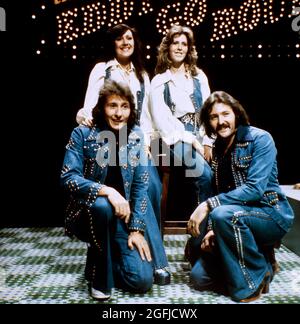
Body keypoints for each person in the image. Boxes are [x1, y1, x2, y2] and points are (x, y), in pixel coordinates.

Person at [61, 81, 170, 301]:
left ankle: (102, 259)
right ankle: (101, 280)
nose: (119, 113)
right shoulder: (82, 134)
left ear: (131, 110)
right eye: (113, 106)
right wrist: (107, 190)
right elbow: (68, 178)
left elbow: (140, 187)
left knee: (141, 281)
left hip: (123, 217)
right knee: (102, 206)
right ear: (102, 108)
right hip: (88, 214)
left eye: (124, 106)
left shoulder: (136, 135)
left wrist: (137, 230)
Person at [186, 91, 294, 303]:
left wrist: (208, 206)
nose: (221, 121)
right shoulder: (218, 147)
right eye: (214, 117)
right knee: (199, 277)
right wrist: (212, 231)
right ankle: (262, 258)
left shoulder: (260, 139)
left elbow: (254, 189)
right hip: (235, 217)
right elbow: (220, 192)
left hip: (270, 214)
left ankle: (252, 282)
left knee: (223, 215)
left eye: (225, 114)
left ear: (236, 113)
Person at [76, 23, 162, 229]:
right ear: (112, 43)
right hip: (107, 139)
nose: (126, 42)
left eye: (129, 38)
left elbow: (146, 114)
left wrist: (147, 143)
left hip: (134, 138)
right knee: (117, 186)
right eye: (120, 38)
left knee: (152, 186)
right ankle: (118, 237)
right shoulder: (102, 69)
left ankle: (149, 239)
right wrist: (85, 117)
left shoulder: (141, 75)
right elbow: (89, 105)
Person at [150, 25, 213, 225]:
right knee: (204, 175)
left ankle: (220, 231)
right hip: (175, 137)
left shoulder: (199, 76)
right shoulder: (160, 81)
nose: (179, 47)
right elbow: (163, 121)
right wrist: (193, 141)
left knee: (227, 171)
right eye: (175, 43)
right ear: (167, 48)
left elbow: (209, 110)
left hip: (202, 133)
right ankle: (200, 236)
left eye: (184, 44)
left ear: (189, 48)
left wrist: (208, 141)